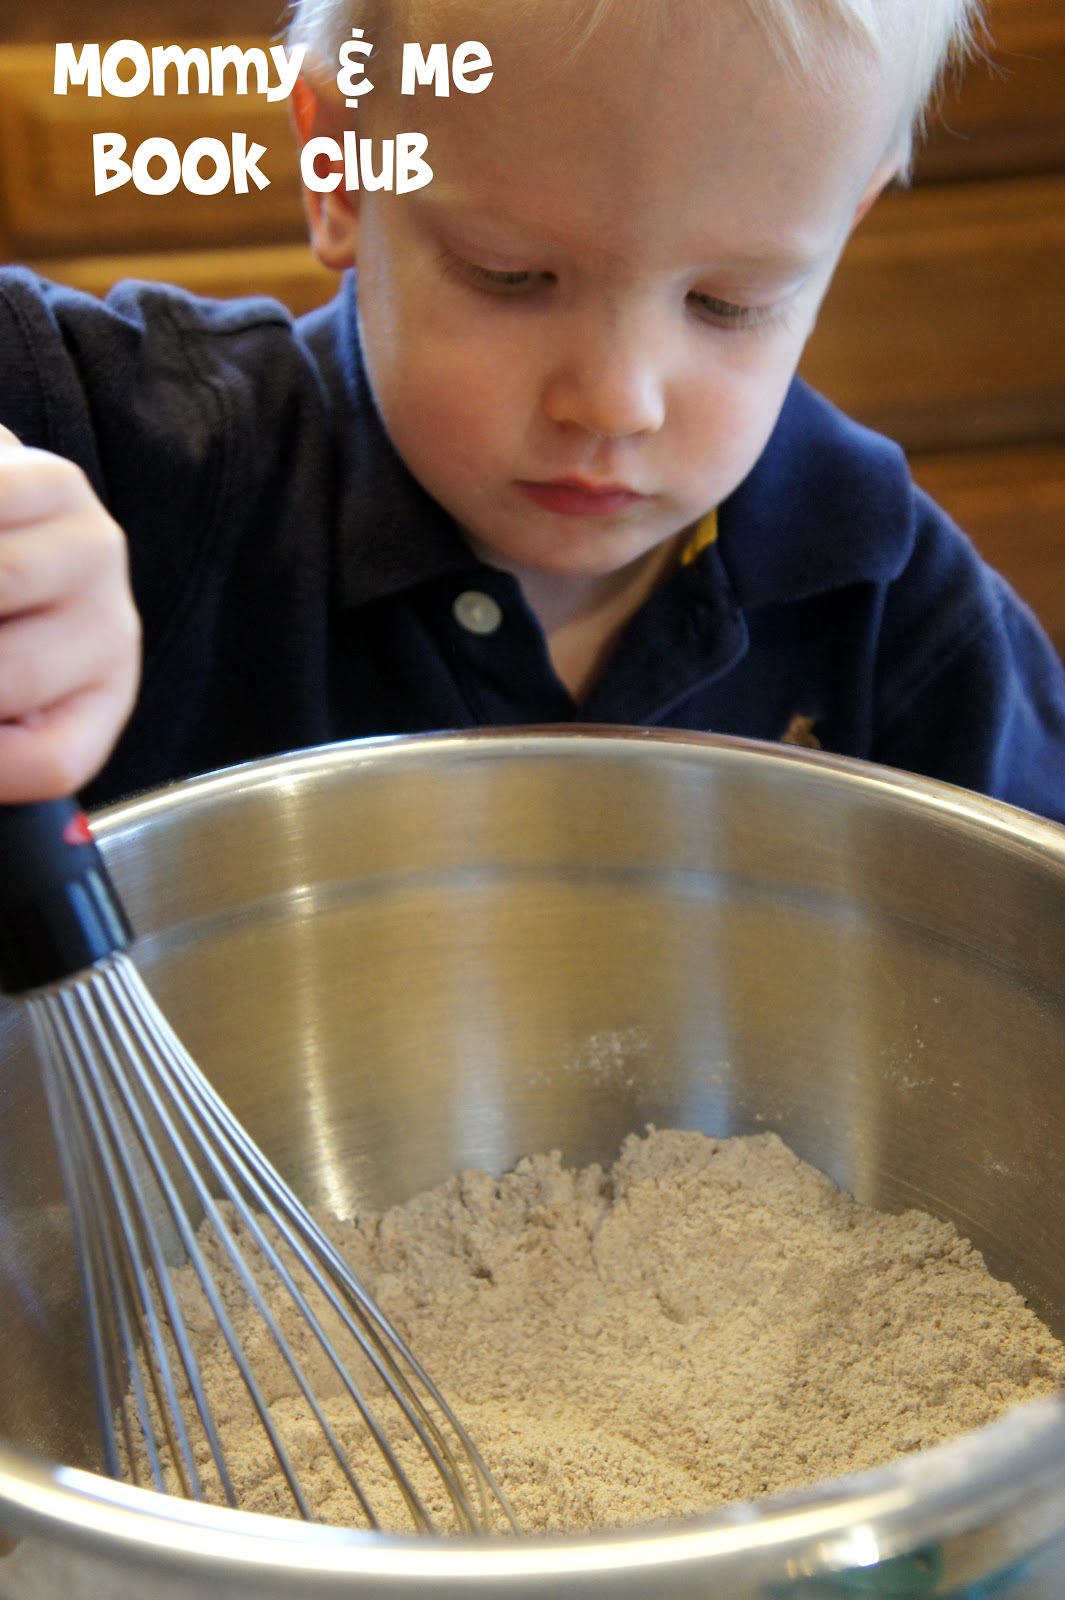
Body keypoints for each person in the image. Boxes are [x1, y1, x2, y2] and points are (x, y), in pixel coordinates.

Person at [0, 0, 1063, 820]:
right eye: (510, 275)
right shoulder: (164, 455)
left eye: (728, 303)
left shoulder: (893, 611)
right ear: (340, 172)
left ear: (848, 220)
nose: (616, 400)